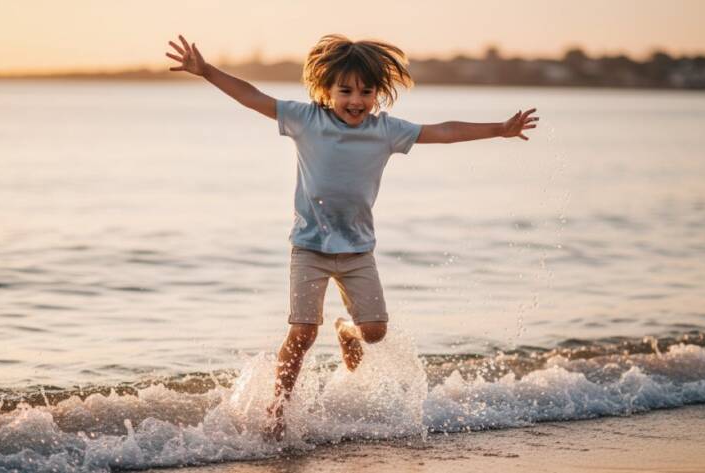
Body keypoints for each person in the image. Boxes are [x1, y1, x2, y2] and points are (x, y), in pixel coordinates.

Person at [166, 33, 538, 439]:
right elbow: (253, 96)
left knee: (375, 331)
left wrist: (499, 129)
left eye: (366, 91)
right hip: (309, 247)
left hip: (359, 251)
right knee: (304, 333)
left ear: (379, 94)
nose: (355, 100)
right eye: (345, 91)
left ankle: (346, 330)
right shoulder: (305, 119)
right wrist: (205, 72)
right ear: (326, 91)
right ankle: (279, 406)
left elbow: (444, 131)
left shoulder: (386, 131)